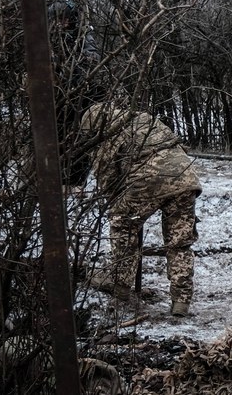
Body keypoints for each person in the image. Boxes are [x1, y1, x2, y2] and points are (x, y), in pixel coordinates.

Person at [81, 104, 201, 317]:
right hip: (186, 177)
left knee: (123, 224)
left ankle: (121, 286)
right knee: (180, 243)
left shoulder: (110, 133)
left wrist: (115, 201)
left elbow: (107, 178)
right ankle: (181, 301)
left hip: (149, 179)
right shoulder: (146, 119)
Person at [46, 0, 105, 186]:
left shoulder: (82, 34)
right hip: (56, 93)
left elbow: (93, 55)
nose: (61, 23)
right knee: (56, 135)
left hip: (81, 91)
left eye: (65, 18)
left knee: (81, 134)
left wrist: (76, 62)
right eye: (57, 18)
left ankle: (76, 178)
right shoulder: (48, 36)